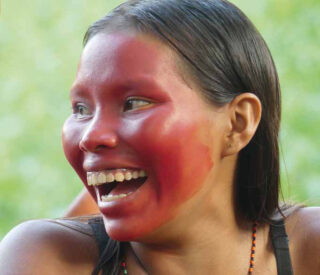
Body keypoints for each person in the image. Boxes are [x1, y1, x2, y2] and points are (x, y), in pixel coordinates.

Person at [1, 0, 320, 274]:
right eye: (81, 108)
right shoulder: (44, 259)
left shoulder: (310, 250)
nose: (89, 136)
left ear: (238, 123)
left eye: (134, 103)